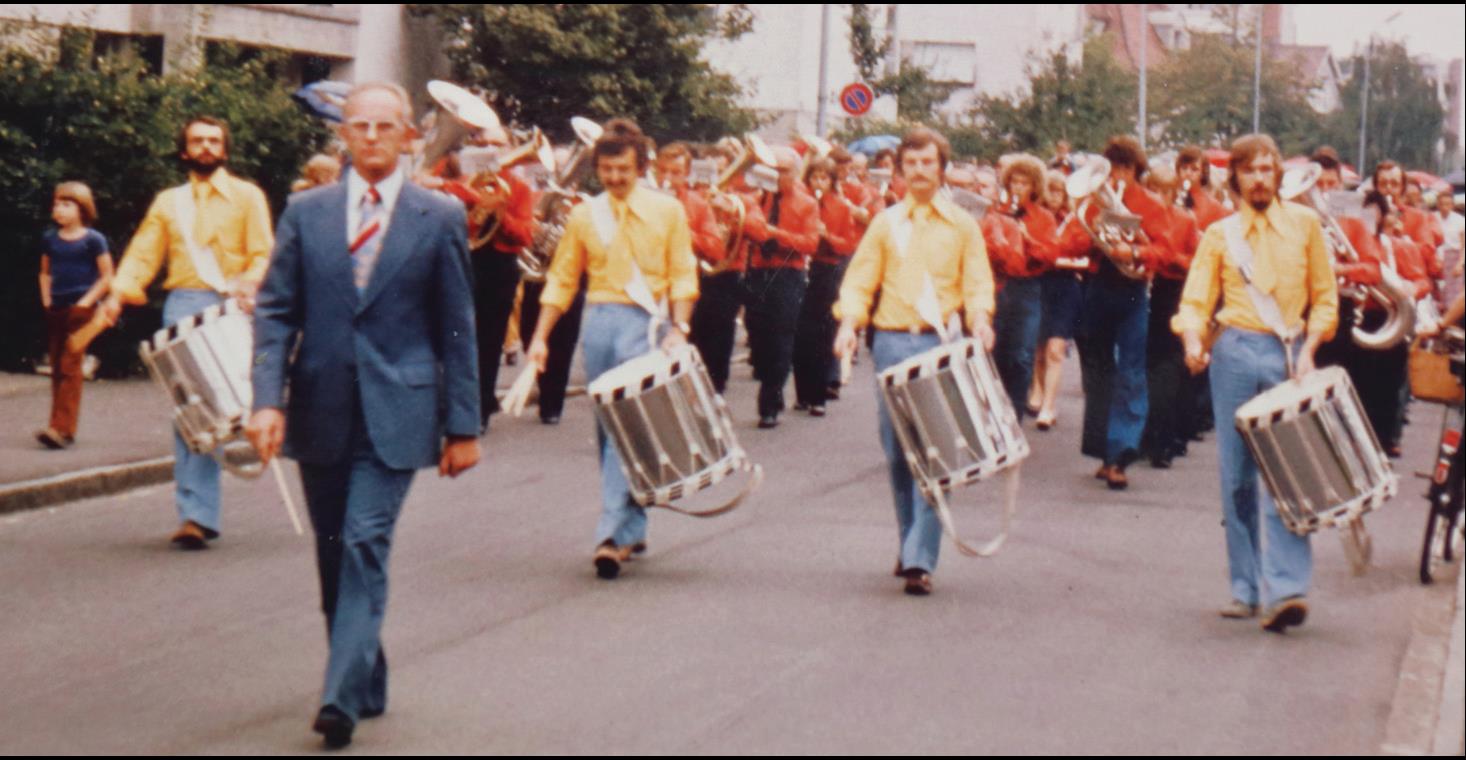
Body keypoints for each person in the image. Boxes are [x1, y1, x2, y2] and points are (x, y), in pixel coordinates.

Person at [247, 81, 481, 748]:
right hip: (320, 406)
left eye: (386, 126)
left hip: (398, 411)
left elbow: (458, 328)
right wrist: (267, 399)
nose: (372, 137)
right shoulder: (305, 212)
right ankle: (367, 672)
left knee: (362, 542)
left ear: (409, 135)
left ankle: (339, 700)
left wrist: (463, 426)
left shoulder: (439, 217)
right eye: (360, 126)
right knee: (331, 554)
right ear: (343, 135)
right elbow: (276, 312)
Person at [1172, 133, 1338, 633]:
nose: (1260, 178)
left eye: (1268, 169)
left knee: (1288, 474)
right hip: (1236, 352)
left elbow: (1325, 297)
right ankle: (1245, 588)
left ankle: (1285, 589)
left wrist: (1310, 349)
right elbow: (1195, 302)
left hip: (1288, 351)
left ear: (1278, 175)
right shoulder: (1220, 235)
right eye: (1251, 171)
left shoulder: (1306, 224)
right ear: (1236, 178)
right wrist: (1192, 343)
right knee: (1237, 476)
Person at [525, 118, 698, 581]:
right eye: (606, 170)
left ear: (641, 167)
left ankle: (611, 534)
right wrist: (540, 338)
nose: (615, 178)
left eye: (623, 169)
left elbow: (683, 273)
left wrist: (680, 326)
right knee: (608, 426)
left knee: (631, 423)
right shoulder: (585, 215)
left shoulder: (668, 212)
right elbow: (561, 279)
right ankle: (632, 522)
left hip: (647, 325)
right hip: (599, 323)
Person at [99, 116, 274, 549]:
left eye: (214, 141)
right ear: (184, 151)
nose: (206, 147)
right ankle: (196, 516)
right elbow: (143, 252)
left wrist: (249, 283)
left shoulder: (248, 196)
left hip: (233, 303)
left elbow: (263, 253)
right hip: (183, 303)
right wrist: (120, 293)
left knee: (235, 402)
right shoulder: (168, 201)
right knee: (192, 412)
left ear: (226, 150)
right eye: (197, 141)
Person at [834, 127, 995, 597]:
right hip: (891, 343)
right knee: (898, 451)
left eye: (928, 163)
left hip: (940, 344)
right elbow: (860, 280)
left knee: (937, 451)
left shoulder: (963, 224)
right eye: (912, 164)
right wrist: (848, 324)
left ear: (941, 168)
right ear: (900, 170)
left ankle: (921, 558)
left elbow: (977, 281)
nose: (920, 172)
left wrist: (980, 320)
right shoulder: (886, 223)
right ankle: (909, 541)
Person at [1057, 136, 1171, 490]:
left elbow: (1165, 249)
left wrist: (1134, 252)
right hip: (1098, 287)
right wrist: (1095, 239)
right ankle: (1103, 452)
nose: (1119, 176)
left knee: (1131, 371)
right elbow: (1069, 242)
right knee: (1098, 373)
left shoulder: (1151, 203)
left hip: (1132, 290)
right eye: (1114, 168)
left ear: (1137, 170)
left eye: (1126, 168)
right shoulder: (1092, 202)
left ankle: (1122, 454)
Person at [442, 123, 536, 434]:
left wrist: (499, 214)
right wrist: (473, 199)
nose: (491, 150)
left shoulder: (519, 188)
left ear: (510, 149)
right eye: (484, 143)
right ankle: (453, 405)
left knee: (490, 338)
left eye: (499, 144)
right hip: (462, 259)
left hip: (499, 264)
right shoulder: (462, 181)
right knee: (454, 336)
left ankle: (480, 408)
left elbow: (524, 235)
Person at [744, 146, 819, 428]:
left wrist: (776, 234)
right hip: (758, 271)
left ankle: (769, 400)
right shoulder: (756, 198)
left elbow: (810, 243)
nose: (776, 176)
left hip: (788, 273)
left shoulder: (807, 203)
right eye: (772, 170)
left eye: (783, 171)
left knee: (780, 338)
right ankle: (770, 386)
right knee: (758, 334)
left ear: (796, 173)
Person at [36, 182, 113, 449]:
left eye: (67, 204)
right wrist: (46, 298)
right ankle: (59, 426)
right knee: (57, 367)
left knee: (70, 366)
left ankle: (61, 429)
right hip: (57, 308)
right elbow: (45, 272)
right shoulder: (50, 238)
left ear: (82, 208)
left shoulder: (94, 239)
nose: (59, 209)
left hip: (82, 311)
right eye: (57, 204)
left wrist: (85, 303)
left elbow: (106, 277)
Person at [1137, 166, 1200, 468]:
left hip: (1173, 289)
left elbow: (1196, 260)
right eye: (1154, 190)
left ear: (1175, 193)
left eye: (1165, 191)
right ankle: (1144, 437)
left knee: (1168, 369)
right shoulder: (1143, 217)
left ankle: (1163, 440)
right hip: (1145, 287)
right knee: (1146, 367)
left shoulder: (1185, 219)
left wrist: (1172, 259)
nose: (1159, 197)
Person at [991, 154, 1059, 421]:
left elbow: (1050, 255)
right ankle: (994, 415)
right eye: (1014, 182)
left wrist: (1026, 238)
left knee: (1022, 355)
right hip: (1000, 285)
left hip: (1028, 288)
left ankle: (1015, 415)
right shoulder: (997, 211)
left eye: (1024, 183)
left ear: (1034, 187)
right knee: (996, 353)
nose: (1018, 188)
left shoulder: (1043, 217)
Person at [792, 156, 859, 416]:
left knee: (822, 332)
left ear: (832, 182)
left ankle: (818, 395)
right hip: (803, 266)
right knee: (801, 333)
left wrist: (825, 235)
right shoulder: (801, 203)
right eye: (814, 177)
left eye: (824, 178)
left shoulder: (840, 207)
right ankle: (802, 393)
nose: (818, 182)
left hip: (827, 269)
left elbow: (847, 245)